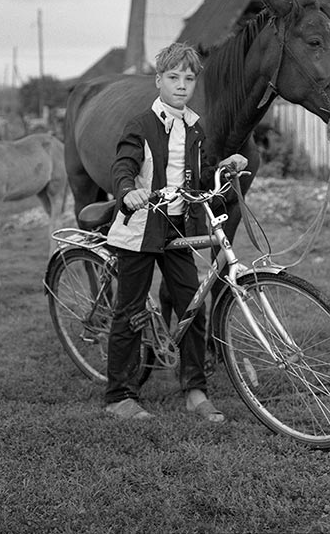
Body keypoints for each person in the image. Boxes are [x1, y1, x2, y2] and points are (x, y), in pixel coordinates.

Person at [104, 42, 248, 422]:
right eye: (173, 77)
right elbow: (123, 165)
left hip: (177, 230)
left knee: (192, 307)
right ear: (158, 81)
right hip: (139, 229)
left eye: (188, 78)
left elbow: (196, 179)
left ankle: (195, 390)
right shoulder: (140, 124)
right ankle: (119, 395)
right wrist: (127, 191)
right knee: (131, 313)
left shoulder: (196, 127)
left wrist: (225, 168)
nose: (181, 85)